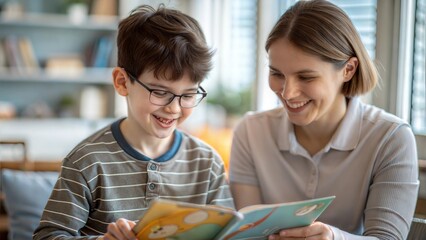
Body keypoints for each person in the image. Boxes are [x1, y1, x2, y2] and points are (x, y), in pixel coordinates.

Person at [33, 4, 234, 239]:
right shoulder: (86, 161)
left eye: (188, 95)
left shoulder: (207, 163)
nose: (174, 108)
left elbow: (229, 233)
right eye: (160, 92)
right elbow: (47, 236)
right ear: (122, 82)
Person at [229, 1, 419, 240]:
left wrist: (333, 237)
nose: (287, 93)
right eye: (277, 73)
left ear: (348, 70)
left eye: (306, 77)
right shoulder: (251, 131)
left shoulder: (391, 138)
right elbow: (250, 234)